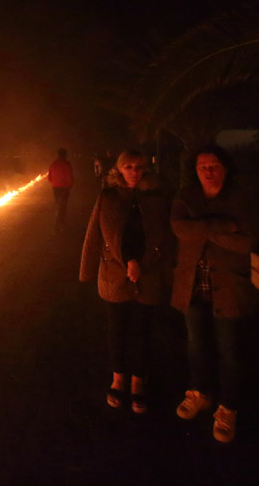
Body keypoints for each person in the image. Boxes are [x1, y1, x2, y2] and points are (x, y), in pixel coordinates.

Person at [170, 145, 259, 442]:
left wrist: (202, 228)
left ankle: (228, 407)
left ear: (225, 167)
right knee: (196, 343)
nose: (208, 170)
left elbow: (246, 242)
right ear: (195, 171)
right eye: (202, 166)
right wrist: (222, 226)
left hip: (228, 286)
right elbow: (179, 228)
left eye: (213, 165)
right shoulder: (186, 196)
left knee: (229, 350)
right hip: (192, 282)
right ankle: (200, 392)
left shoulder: (239, 198)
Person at [80, 149, 173, 413]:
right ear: (119, 170)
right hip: (114, 275)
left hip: (150, 274)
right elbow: (94, 234)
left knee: (143, 331)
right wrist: (86, 270)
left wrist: (166, 272)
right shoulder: (107, 196)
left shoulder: (157, 198)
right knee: (116, 330)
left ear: (146, 168)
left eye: (138, 166)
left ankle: (138, 382)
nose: (134, 171)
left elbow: (165, 237)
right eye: (128, 166)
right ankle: (118, 379)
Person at [47, 148, 74, 234]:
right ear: (65, 155)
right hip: (64, 188)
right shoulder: (67, 164)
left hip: (55, 188)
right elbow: (69, 177)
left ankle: (62, 225)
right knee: (62, 208)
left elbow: (49, 178)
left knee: (59, 206)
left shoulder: (53, 164)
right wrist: (70, 185)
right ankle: (57, 227)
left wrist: (55, 182)